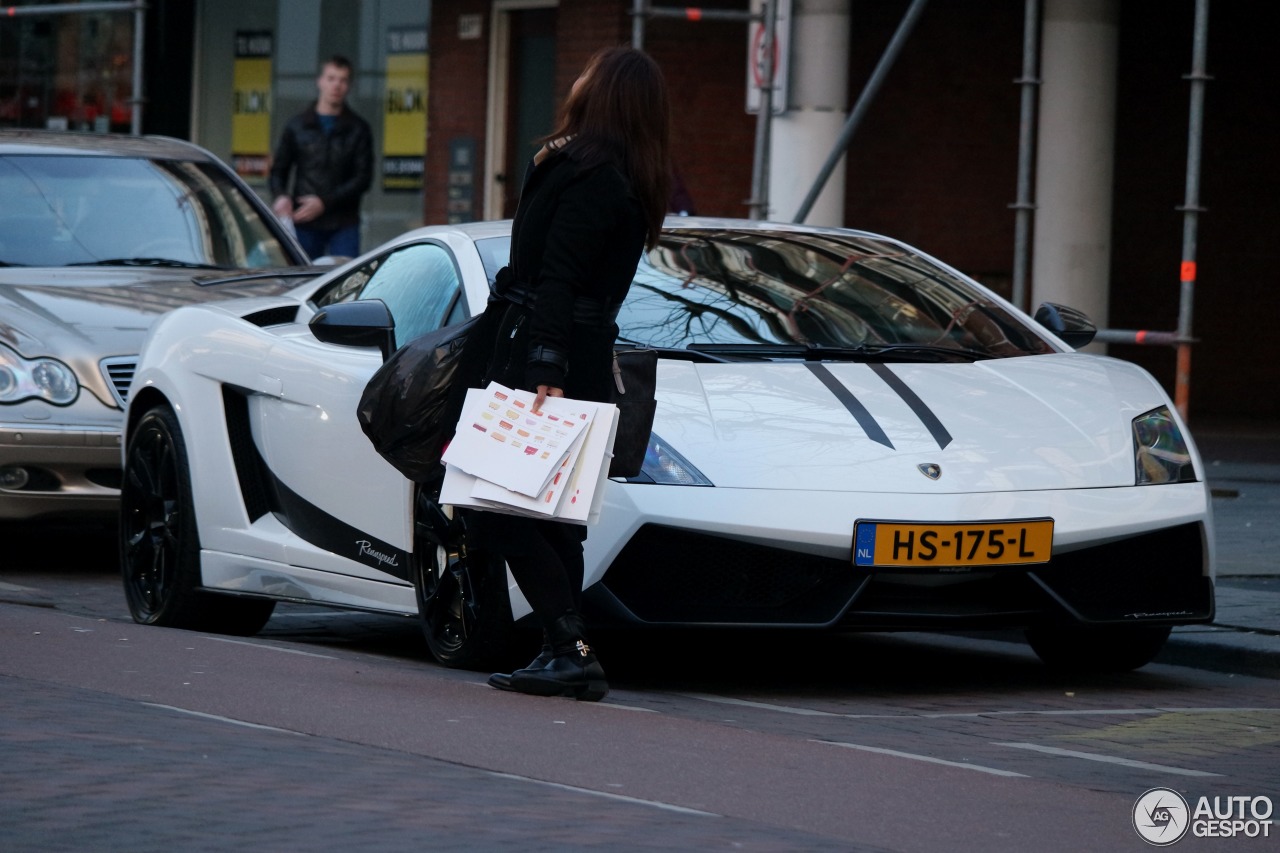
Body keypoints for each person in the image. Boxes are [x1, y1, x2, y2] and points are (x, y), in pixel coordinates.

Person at [479, 46, 672, 701]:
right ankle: (559, 649)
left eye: (590, 66)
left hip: (549, 357)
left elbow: (561, 276)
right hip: (574, 354)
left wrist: (543, 363)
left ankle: (569, 646)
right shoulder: (619, 172)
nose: (577, 72)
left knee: (498, 506)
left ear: (608, 91)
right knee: (556, 514)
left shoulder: (589, 173)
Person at [269, 55, 373, 259]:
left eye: (343, 80)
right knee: (300, 281)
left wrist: (324, 202)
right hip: (304, 222)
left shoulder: (358, 129)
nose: (337, 85)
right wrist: (280, 196)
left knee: (347, 282)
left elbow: (363, 178)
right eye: (331, 78)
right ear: (320, 81)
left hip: (344, 223)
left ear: (349, 86)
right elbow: (278, 171)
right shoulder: (297, 126)